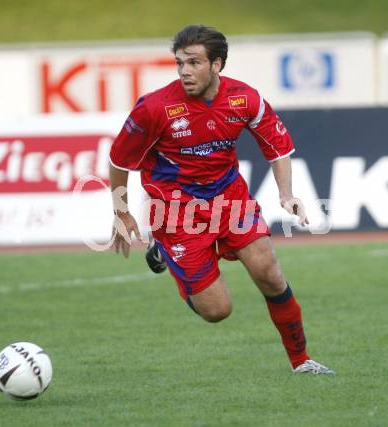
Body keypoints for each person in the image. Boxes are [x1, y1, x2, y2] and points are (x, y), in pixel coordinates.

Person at [109, 24, 335, 375]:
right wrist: (122, 213)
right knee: (218, 311)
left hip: (230, 201)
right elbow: (119, 160)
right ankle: (168, 255)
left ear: (217, 64)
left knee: (270, 273)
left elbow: (277, 146)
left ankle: (302, 362)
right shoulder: (154, 108)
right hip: (176, 214)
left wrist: (286, 193)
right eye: (180, 63)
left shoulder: (245, 99)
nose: (185, 71)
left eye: (194, 63)